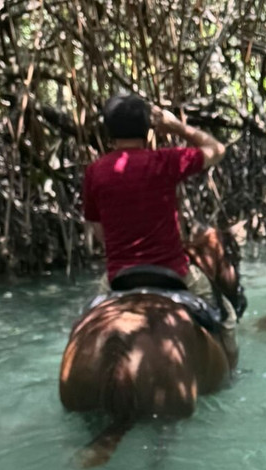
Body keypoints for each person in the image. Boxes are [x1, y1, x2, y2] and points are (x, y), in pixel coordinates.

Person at [82, 93, 237, 356]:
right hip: (174, 273)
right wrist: (175, 125)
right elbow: (217, 150)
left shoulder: (95, 172)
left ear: (108, 129)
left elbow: (98, 230)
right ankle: (230, 375)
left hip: (118, 278)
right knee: (228, 318)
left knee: (83, 327)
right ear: (147, 128)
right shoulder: (165, 161)